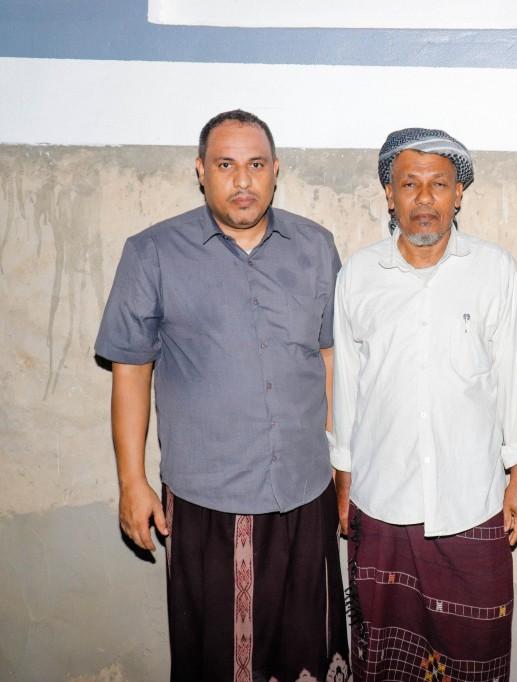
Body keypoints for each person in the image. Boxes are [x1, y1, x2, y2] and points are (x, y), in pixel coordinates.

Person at [95, 109, 348, 681]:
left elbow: (330, 358)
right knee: (219, 661)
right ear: (201, 171)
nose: (242, 181)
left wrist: (341, 466)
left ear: (276, 171)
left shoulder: (315, 247)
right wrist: (132, 482)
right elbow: (131, 369)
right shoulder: (153, 253)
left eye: (255, 165)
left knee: (310, 653)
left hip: (305, 492)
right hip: (208, 501)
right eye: (226, 165)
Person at [330, 128, 517, 681]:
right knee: (384, 655)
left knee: (476, 651)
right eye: (410, 184)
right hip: (381, 498)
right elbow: (347, 388)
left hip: (471, 498)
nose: (424, 199)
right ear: (389, 194)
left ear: (458, 194)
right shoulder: (358, 275)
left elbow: (511, 380)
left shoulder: (494, 269)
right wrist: (344, 484)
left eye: (439, 185)